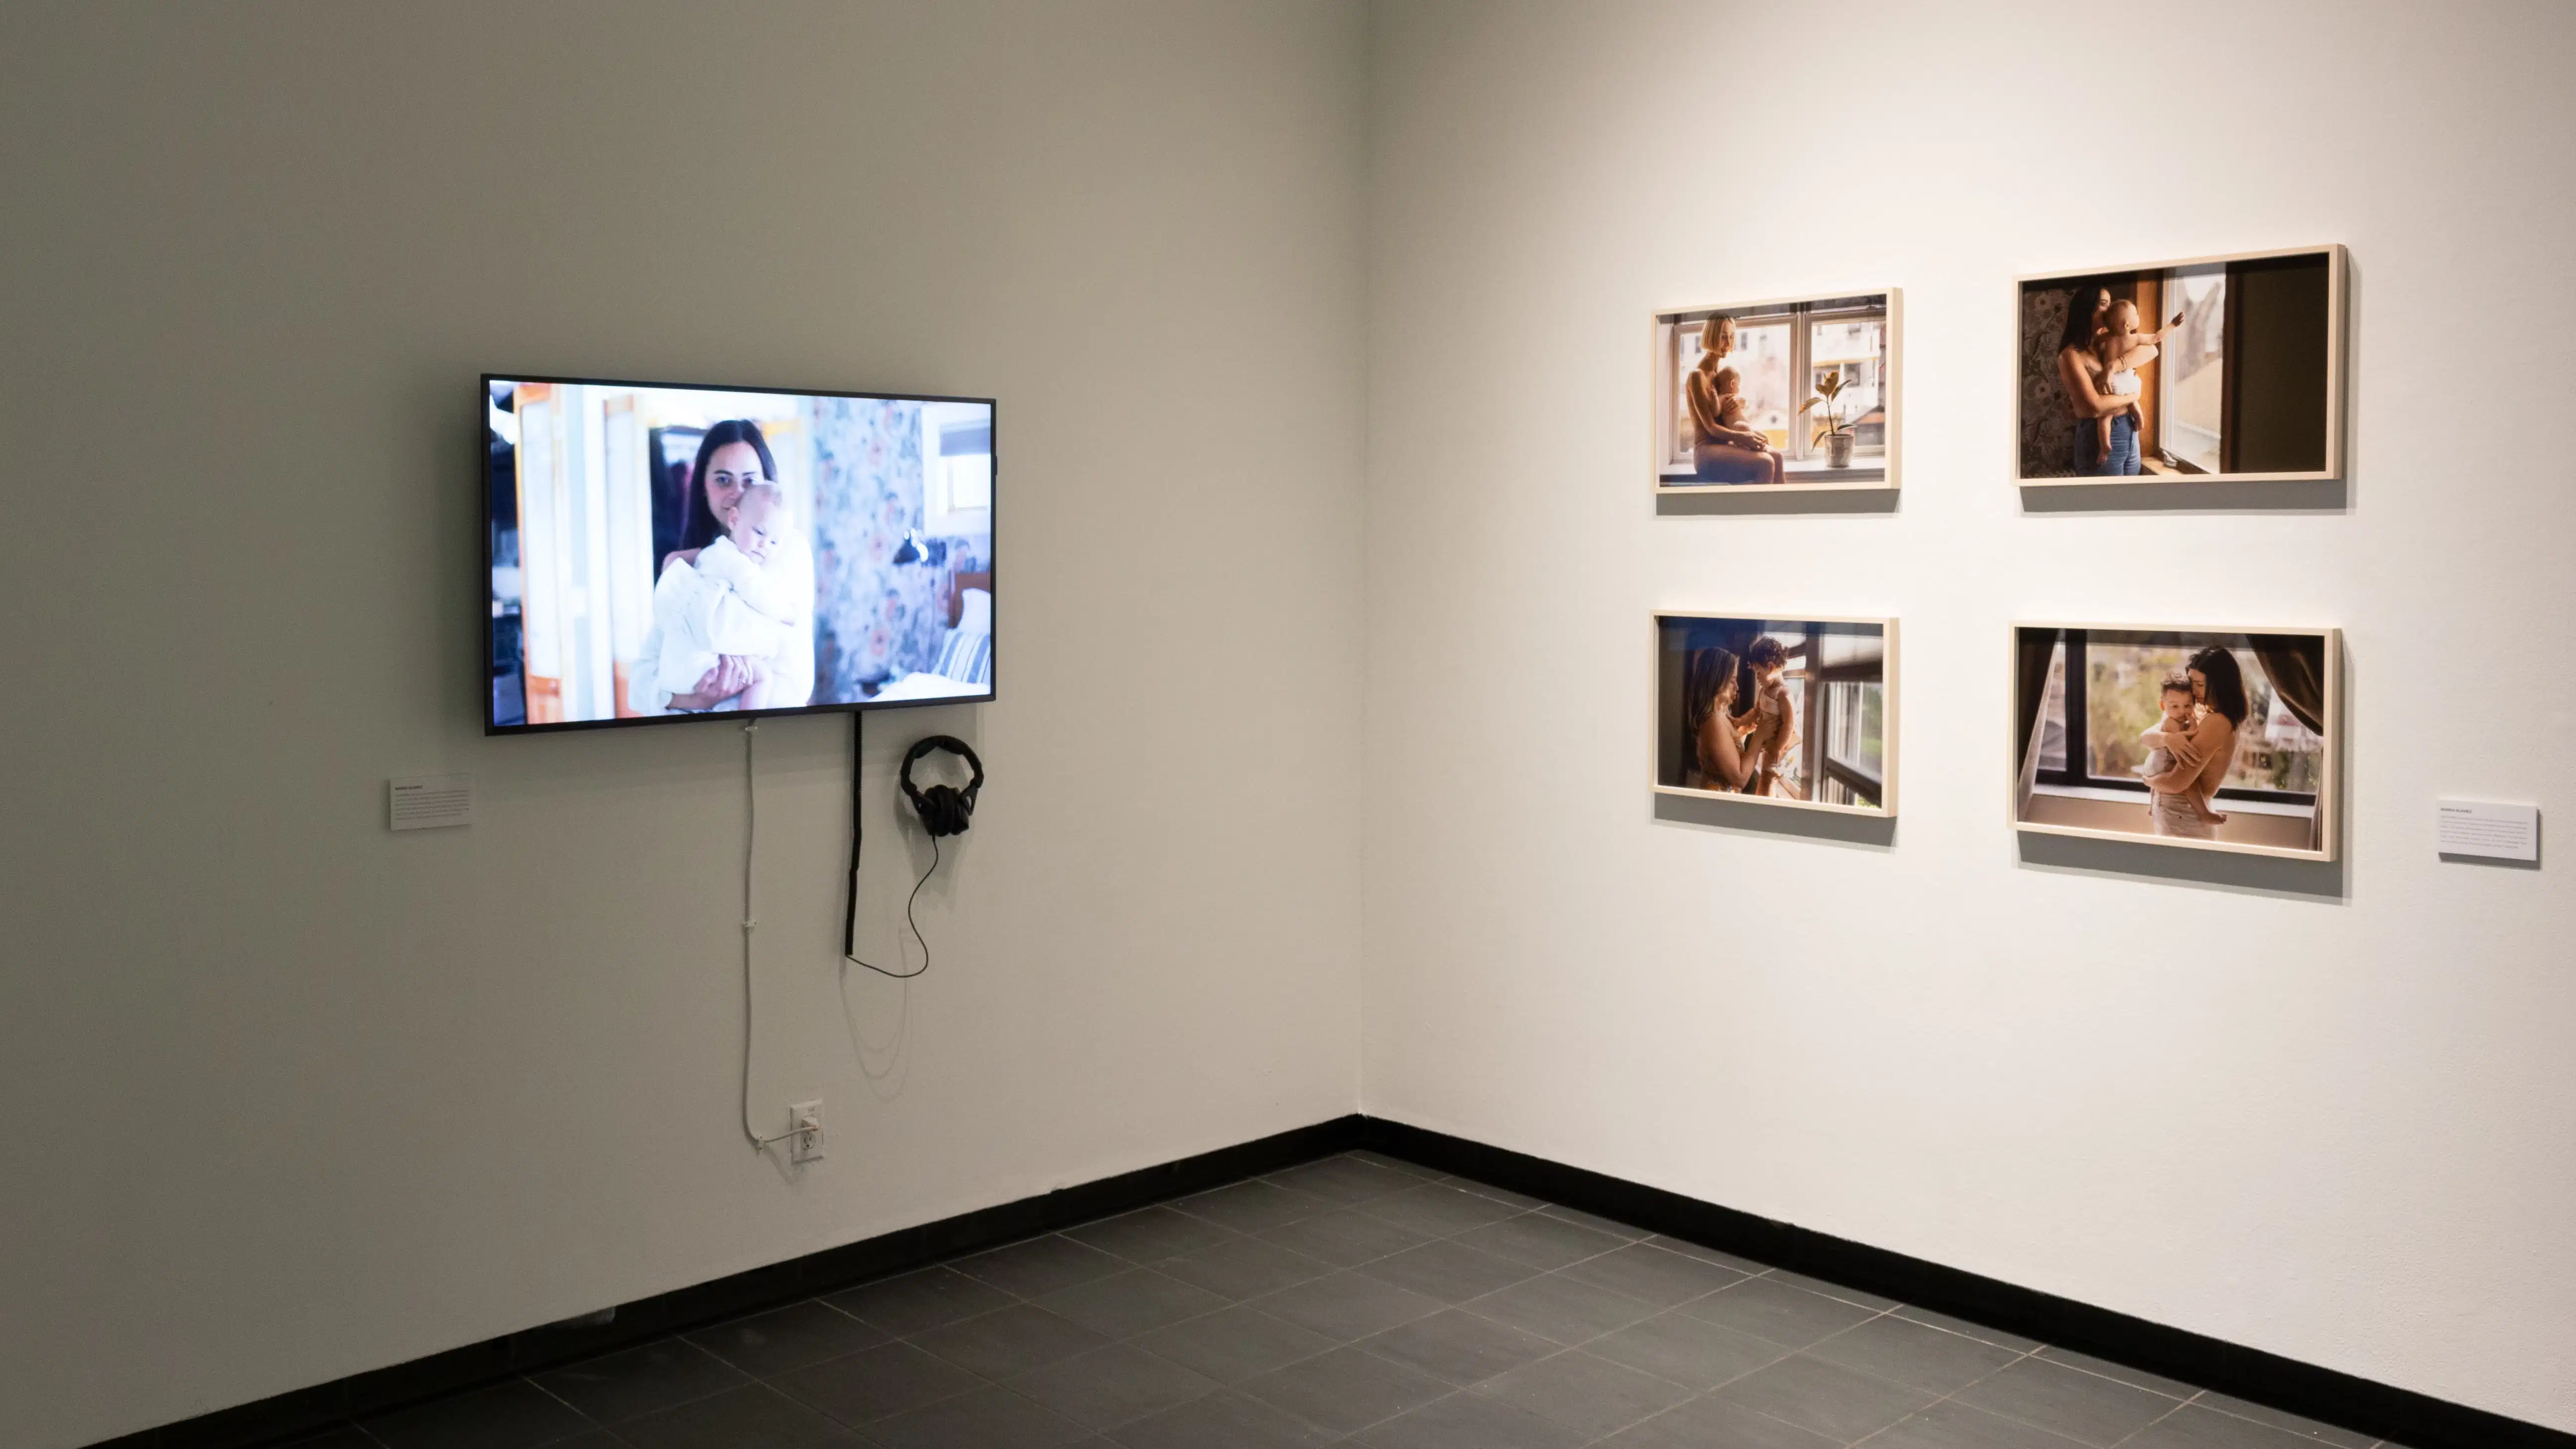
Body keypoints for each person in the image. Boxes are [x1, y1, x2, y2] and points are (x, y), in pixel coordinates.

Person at [634, 419, 817, 713]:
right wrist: (698, 700)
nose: (737, 493)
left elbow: (723, 631)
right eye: (723, 480)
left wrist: (676, 574)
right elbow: (641, 681)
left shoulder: (784, 549)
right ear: (703, 488)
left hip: (768, 731)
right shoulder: (699, 558)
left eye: (750, 481)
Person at [649, 484, 805, 713]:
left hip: (679, 667)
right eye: (760, 532)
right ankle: (749, 724)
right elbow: (757, 591)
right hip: (697, 663)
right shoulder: (732, 558)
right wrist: (787, 613)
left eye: (774, 542)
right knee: (763, 677)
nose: (764, 546)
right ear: (734, 520)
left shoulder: (711, 555)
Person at [2143, 646, 2249, 832]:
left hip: (2184, 813)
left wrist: (2150, 781)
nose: (2193, 690)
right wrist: (2168, 739)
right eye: (2192, 683)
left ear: (2220, 685)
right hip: (2180, 811)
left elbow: (2178, 782)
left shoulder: (2217, 721)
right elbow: (2146, 737)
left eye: (2199, 685)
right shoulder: (2206, 714)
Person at [1685, 317, 1783, 483]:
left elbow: (1729, 414)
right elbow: (1711, 427)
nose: (1728, 343)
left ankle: (1781, 509)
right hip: (1706, 450)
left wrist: (1740, 403)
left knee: (1778, 457)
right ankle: (1760, 510)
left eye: (1731, 337)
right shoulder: (1697, 376)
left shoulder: (1723, 375)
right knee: (1766, 463)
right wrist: (1743, 438)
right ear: (1711, 337)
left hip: (1726, 444)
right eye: (1723, 337)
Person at [2137, 670, 2221, 838]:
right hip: (2162, 763)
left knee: (2173, 778)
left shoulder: (2175, 719)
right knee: (2188, 780)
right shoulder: (2172, 723)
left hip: (2156, 764)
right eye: (2175, 706)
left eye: (2187, 706)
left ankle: (2151, 806)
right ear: (2163, 706)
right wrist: (2193, 727)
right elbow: (2188, 744)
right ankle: (2203, 811)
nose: (2182, 711)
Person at [1680, 645, 1762, 791]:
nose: (1737, 687)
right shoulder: (1713, 721)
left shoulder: (1722, 713)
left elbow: (1724, 753)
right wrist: (1761, 735)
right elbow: (1740, 778)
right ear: (1716, 681)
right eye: (1732, 680)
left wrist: (1741, 733)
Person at [1739, 636, 1800, 797]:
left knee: (1768, 779)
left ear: (1771, 667)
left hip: (1777, 745)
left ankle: (1766, 809)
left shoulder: (1783, 693)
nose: (1757, 678)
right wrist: (1740, 721)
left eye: (1758, 673)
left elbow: (1789, 724)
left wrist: (1777, 748)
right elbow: (1756, 711)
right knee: (1758, 774)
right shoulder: (1764, 691)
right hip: (1765, 741)